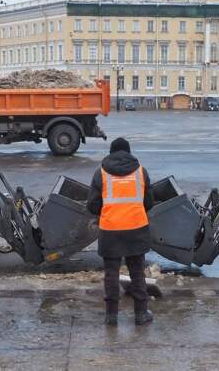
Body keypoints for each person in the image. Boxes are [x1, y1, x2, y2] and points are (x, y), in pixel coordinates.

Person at [87, 137, 154, 326]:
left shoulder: (100, 174)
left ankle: (111, 316)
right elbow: (149, 201)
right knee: (137, 272)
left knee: (111, 273)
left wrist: (108, 210)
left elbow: (92, 205)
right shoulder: (141, 172)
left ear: (111, 152)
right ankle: (141, 313)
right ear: (129, 152)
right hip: (136, 228)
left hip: (110, 230)